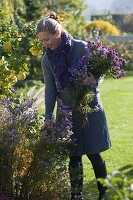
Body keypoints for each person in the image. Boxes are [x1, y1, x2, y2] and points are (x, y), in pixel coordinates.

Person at [36, 11, 111, 200]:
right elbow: (51, 90)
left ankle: (104, 193)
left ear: (57, 33)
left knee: (94, 153)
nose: (45, 44)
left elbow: (100, 69)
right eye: (42, 41)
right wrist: (48, 117)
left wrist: (95, 79)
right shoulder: (47, 59)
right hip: (67, 112)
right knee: (74, 155)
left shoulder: (82, 47)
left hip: (90, 108)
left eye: (47, 40)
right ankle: (76, 194)